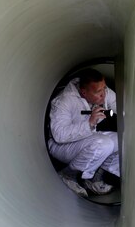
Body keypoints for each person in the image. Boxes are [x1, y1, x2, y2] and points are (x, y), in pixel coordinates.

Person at [48, 68, 120, 197]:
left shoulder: (104, 93)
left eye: (104, 88)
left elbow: (120, 106)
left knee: (123, 140)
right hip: (61, 145)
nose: (103, 94)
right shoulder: (64, 101)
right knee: (103, 144)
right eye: (98, 92)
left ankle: (95, 178)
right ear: (84, 92)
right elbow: (59, 135)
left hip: (88, 138)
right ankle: (68, 175)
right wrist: (89, 123)